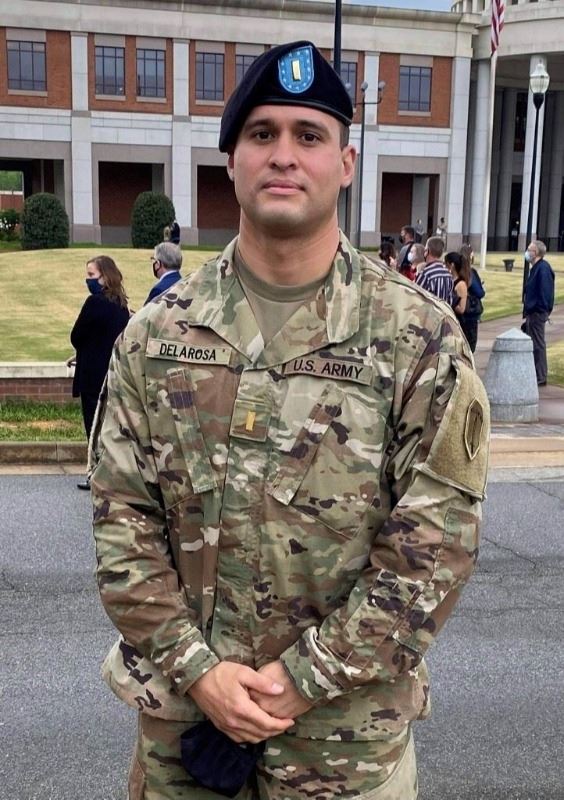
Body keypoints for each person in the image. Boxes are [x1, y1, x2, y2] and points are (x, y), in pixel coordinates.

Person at [90, 40, 489, 800]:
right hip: (186, 745)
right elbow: (121, 526)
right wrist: (200, 674)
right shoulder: (156, 335)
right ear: (231, 160)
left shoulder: (419, 339)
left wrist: (302, 680)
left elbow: (431, 555)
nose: (284, 155)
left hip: (344, 758)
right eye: (262, 133)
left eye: (309, 136)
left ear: (345, 161)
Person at [69, 255, 129, 490]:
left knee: (92, 426)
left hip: (92, 374)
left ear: (105, 276)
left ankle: (95, 474)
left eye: (92, 275)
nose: (88, 280)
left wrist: (82, 350)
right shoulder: (121, 305)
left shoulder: (94, 303)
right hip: (113, 373)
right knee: (109, 427)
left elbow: (76, 335)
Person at [523, 240, 555, 386]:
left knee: (538, 344)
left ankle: (540, 375)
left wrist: (541, 310)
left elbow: (545, 293)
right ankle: (535, 373)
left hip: (537, 312)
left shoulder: (543, 269)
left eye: (529, 249)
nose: (527, 252)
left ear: (535, 253)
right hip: (533, 311)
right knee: (534, 343)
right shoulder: (536, 268)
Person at [458, 244, 485, 353]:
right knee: (470, 346)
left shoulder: (456, 271)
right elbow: (479, 292)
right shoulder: (470, 272)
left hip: (459, 310)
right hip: (470, 313)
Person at [415, 236, 454, 304]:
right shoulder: (448, 274)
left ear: (428, 251)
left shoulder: (426, 273)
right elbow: (450, 299)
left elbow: (416, 296)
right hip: (444, 313)